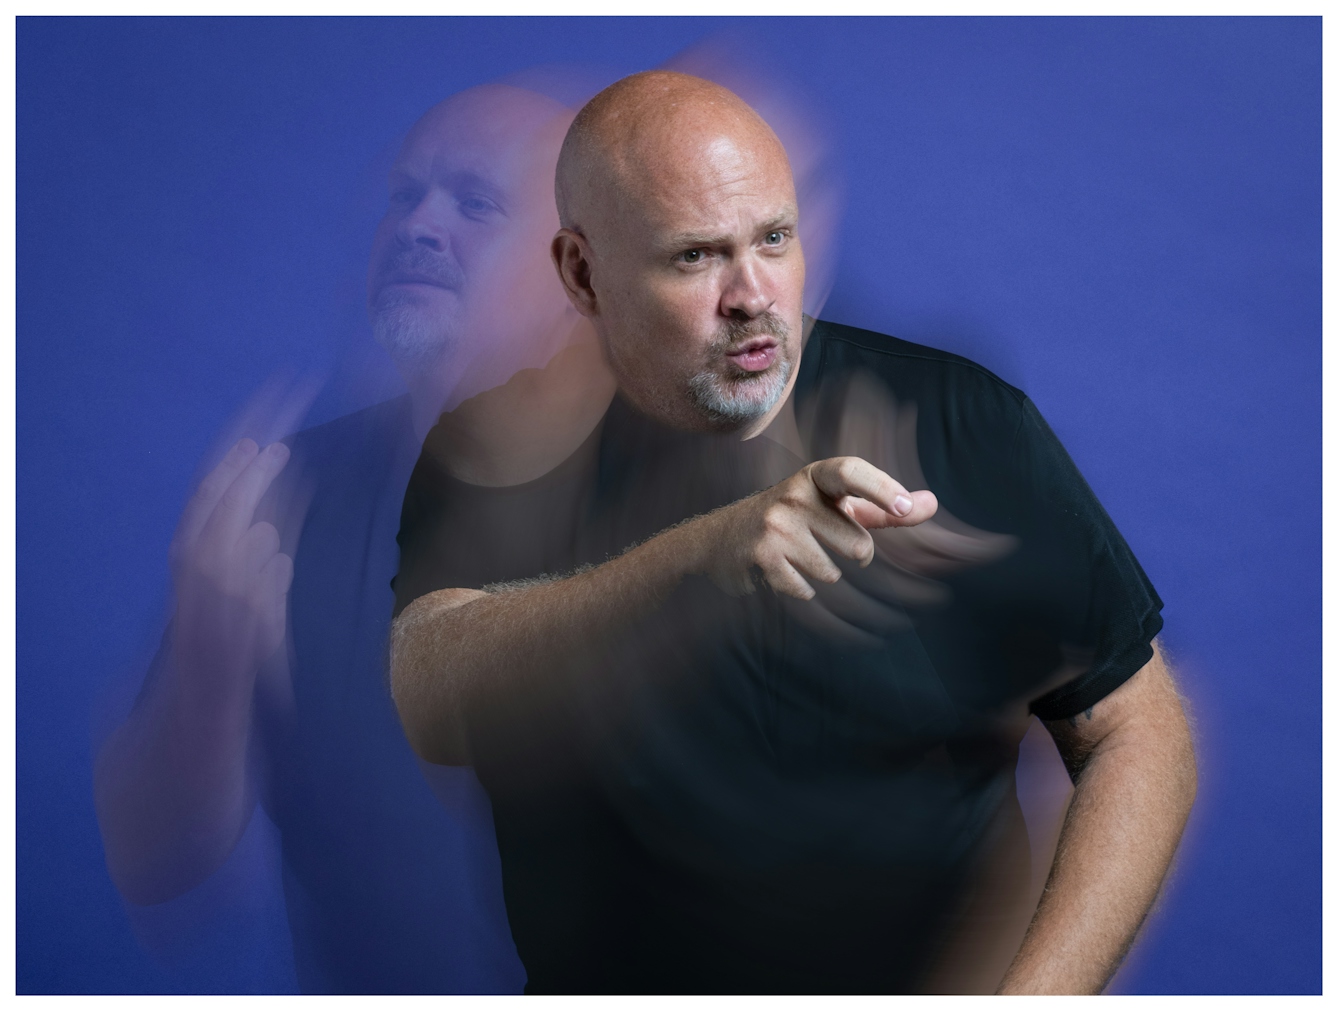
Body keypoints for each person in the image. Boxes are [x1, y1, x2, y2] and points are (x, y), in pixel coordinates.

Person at [390, 71, 1198, 995]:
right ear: (582, 272)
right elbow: (430, 693)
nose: (754, 295)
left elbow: (1137, 732)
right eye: (695, 257)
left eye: (773, 238)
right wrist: (706, 557)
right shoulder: (501, 447)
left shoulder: (963, 422)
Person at [92, 82, 614, 993]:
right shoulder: (283, 497)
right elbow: (160, 879)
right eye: (404, 196)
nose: (416, 224)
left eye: (474, 201)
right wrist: (212, 670)